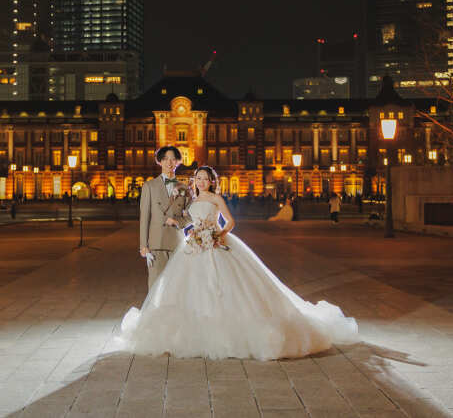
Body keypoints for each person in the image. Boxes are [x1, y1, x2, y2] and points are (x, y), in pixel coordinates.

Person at [118, 166, 358, 360]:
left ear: (211, 182)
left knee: (226, 286)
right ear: (194, 181)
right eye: (198, 178)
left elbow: (230, 221)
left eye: (205, 179)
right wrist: (182, 226)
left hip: (215, 243)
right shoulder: (192, 199)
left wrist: (217, 234)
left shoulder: (216, 198)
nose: (201, 182)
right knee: (189, 287)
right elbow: (188, 220)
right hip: (194, 245)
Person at [139, 146, 193, 289]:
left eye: (173, 159)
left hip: (177, 243)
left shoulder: (185, 188)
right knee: (155, 286)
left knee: (176, 287)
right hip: (156, 244)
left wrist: (178, 222)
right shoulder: (149, 186)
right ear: (159, 161)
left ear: (178, 162)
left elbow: (192, 215)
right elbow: (144, 218)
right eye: (165, 159)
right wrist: (143, 245)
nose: (169, 163)